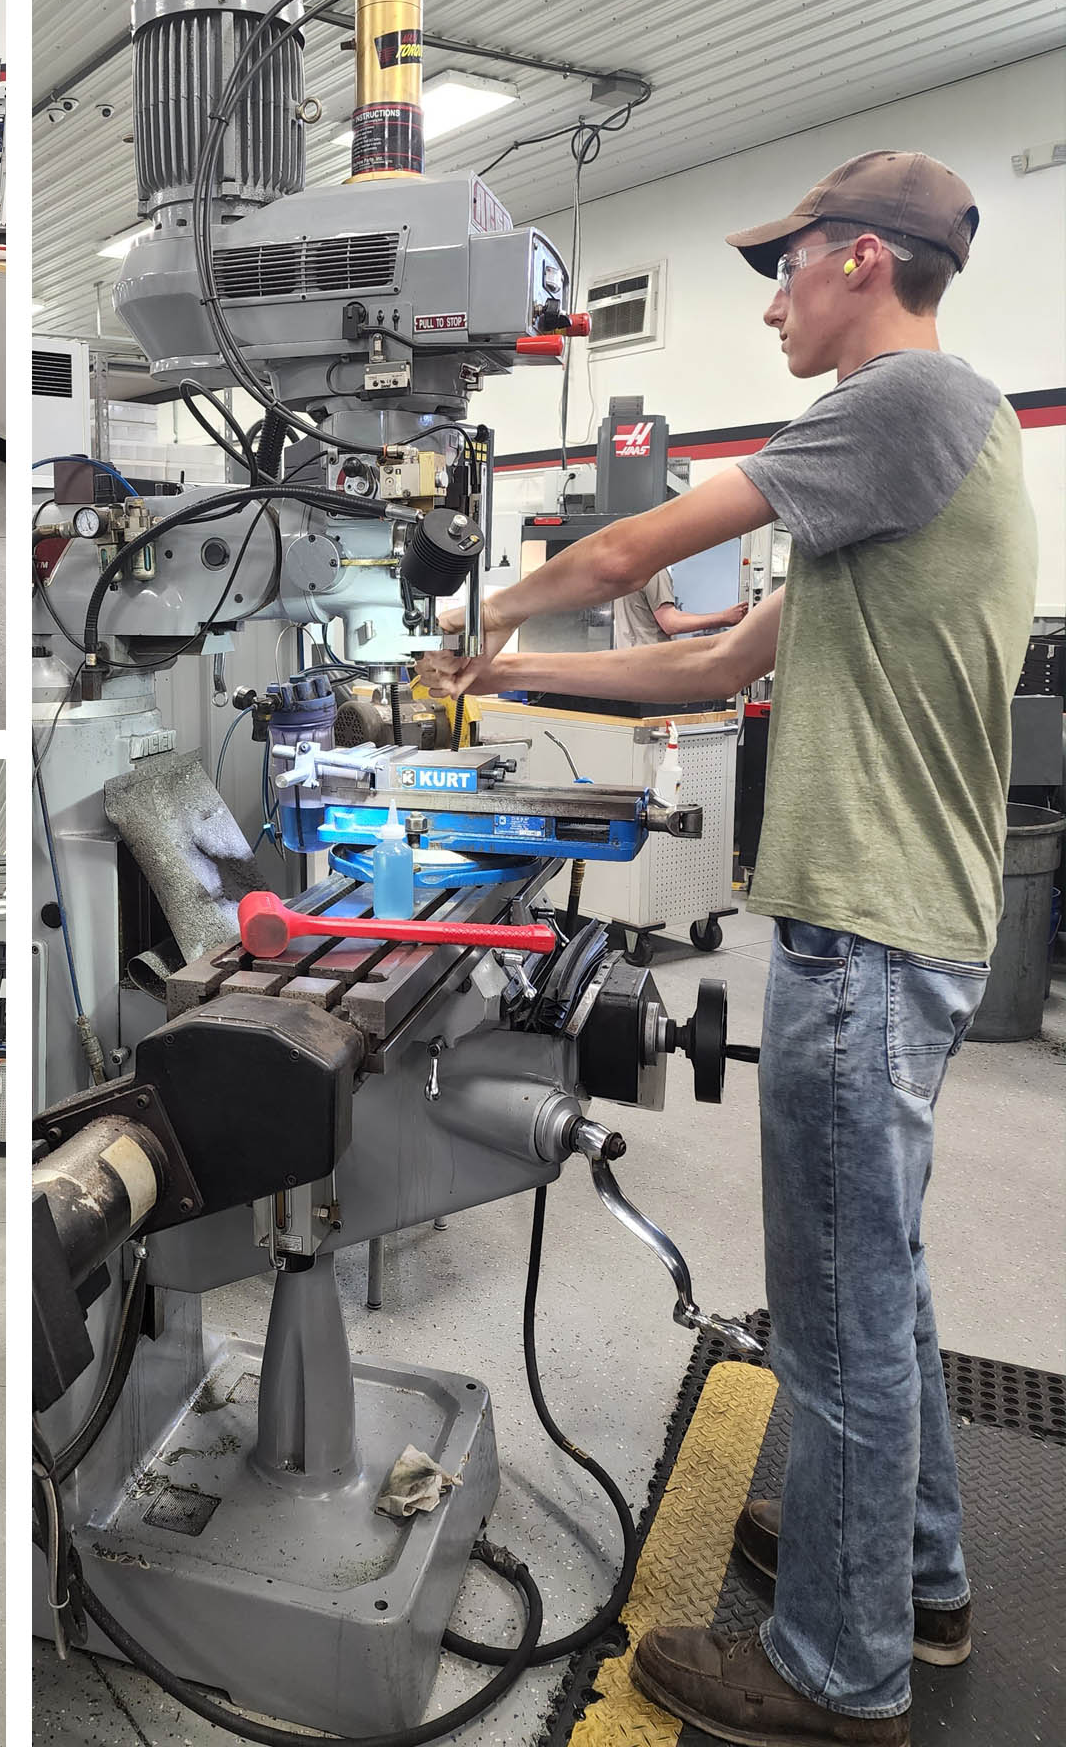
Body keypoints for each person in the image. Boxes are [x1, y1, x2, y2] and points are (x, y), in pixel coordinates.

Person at [420, 150, 1037, 1747]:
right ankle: (915, 1576)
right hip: (890, 926)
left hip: (868, 935)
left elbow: (626, 560)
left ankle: (841, 1673)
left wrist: (473, 617)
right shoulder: (885, 485)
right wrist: (505, 693)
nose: (770, 304)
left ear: (862, 262)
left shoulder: (903, 402)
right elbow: (702, 664)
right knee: (876, 1289)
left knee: (832, 1309)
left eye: (787, 271)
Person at [611, 566, 748, 648]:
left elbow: (669, 614)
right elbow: (670, 623)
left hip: (630, 665)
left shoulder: (626, 574)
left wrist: (723, 615)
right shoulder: (654, 573)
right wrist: (724, 618)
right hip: (651, 667)